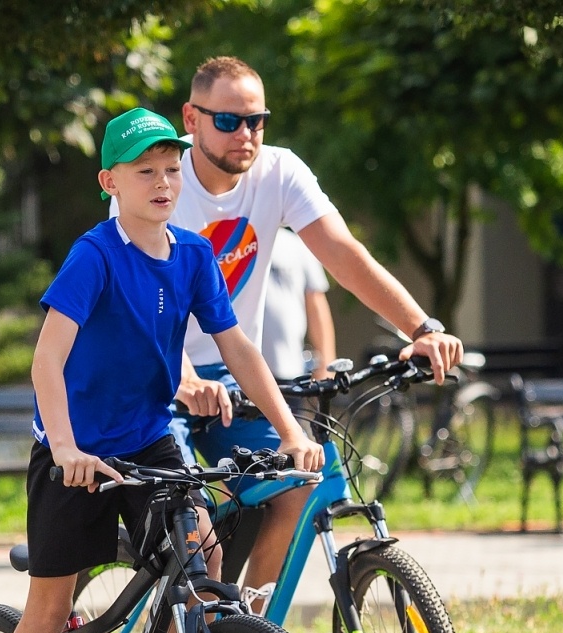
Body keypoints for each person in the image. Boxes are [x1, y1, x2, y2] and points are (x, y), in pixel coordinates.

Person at [0, 108, 325, 633]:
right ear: (111, 182)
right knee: (49, 605)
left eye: (171, 169)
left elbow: (239, 348)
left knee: (201, 554)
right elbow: (46, 363)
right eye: (146, 171)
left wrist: (291, 432)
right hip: (77, 449)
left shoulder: (194, 255)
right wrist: (64, 444)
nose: (164, 181)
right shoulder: (94, 256)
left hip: (147, 437)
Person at [159, 56, 465, 596]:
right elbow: (142, 304)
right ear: (191, 118)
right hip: (160, 376)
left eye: (257, 120)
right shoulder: (158, 182)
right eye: (228, 121)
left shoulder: (280, 171)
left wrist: (421, 328)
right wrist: (183, 376)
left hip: (236, 377)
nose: (245, 135)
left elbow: (343, 255)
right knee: (196, 536)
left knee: (301, 484)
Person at [260, 227, 335, 379]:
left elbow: (316, 305)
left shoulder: (297, 244)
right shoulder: (226, 240)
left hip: (288, 368)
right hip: (235, 373)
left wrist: (327, 364)